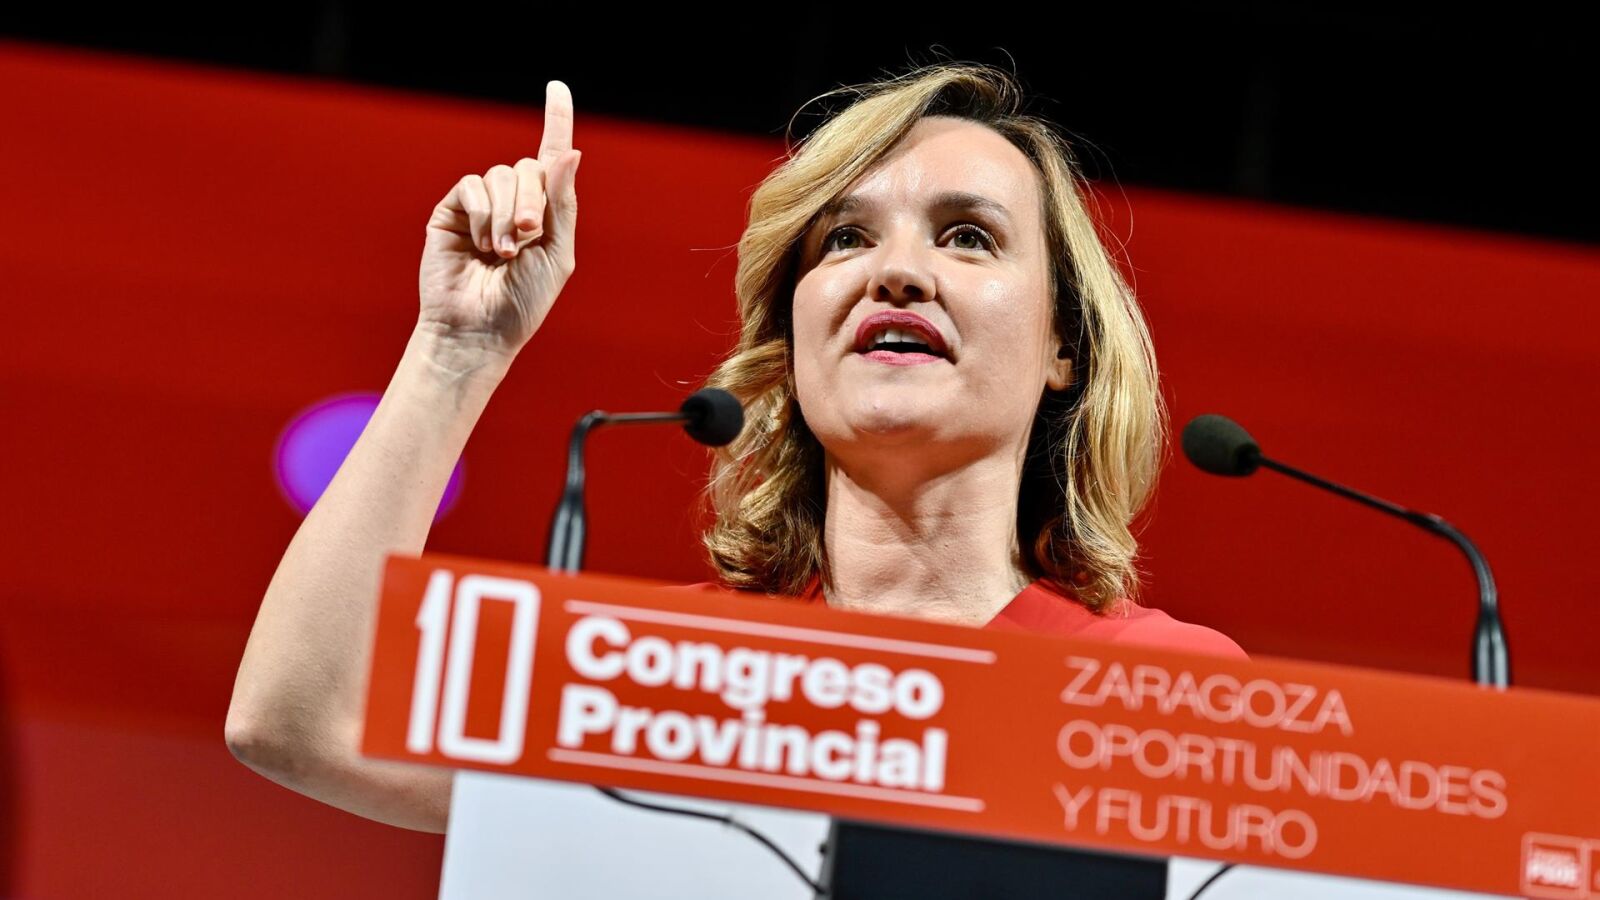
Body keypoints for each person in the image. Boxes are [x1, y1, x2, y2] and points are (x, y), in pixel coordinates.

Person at [226, 62, 1243, 837]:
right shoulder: (661, 681)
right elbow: (300, 719)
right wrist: (457, 349)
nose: (894, 272)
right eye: (844, 238)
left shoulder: (1164, 692)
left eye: (967, 235)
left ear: (1063, 343)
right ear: (789, 346)